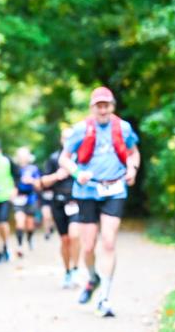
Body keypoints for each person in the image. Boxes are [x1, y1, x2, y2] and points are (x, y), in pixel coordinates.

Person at [59, 86, 140, 317]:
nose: (103, 109)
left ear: (112, 107)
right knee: (87, 246)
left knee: (109, 242)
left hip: (115, 189)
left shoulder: (123, 128)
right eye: (99, 105)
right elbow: (65, 159)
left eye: (106, 105)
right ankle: (92, 278)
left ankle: (104, 297)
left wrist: (132, 168)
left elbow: (133, 153)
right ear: (92, 108)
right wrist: (77, 173)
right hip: (87, 191)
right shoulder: (80, 129)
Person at [38, 128, 80, 288]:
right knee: (65, 239)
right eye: (65, 138)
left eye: (71, 138)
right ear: (61, 140)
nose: (67, 141)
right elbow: (42, 182)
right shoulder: (54, 158)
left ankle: (76, 269)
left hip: (76, 202)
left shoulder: (81, 157)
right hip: (58, 203)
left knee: (75, 236)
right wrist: (57, 175)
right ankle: (67, 271)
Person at [12, 146, 41, 257]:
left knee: (30, 225)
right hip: (19, 198)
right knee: (19, 221)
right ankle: (19, 246)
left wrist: (31, 181)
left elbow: (39, 185)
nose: (22, 158)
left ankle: (29, 239)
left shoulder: (33, 169)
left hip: (31, 199)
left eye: (24, 156)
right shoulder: (15, 169)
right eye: (20, 156)